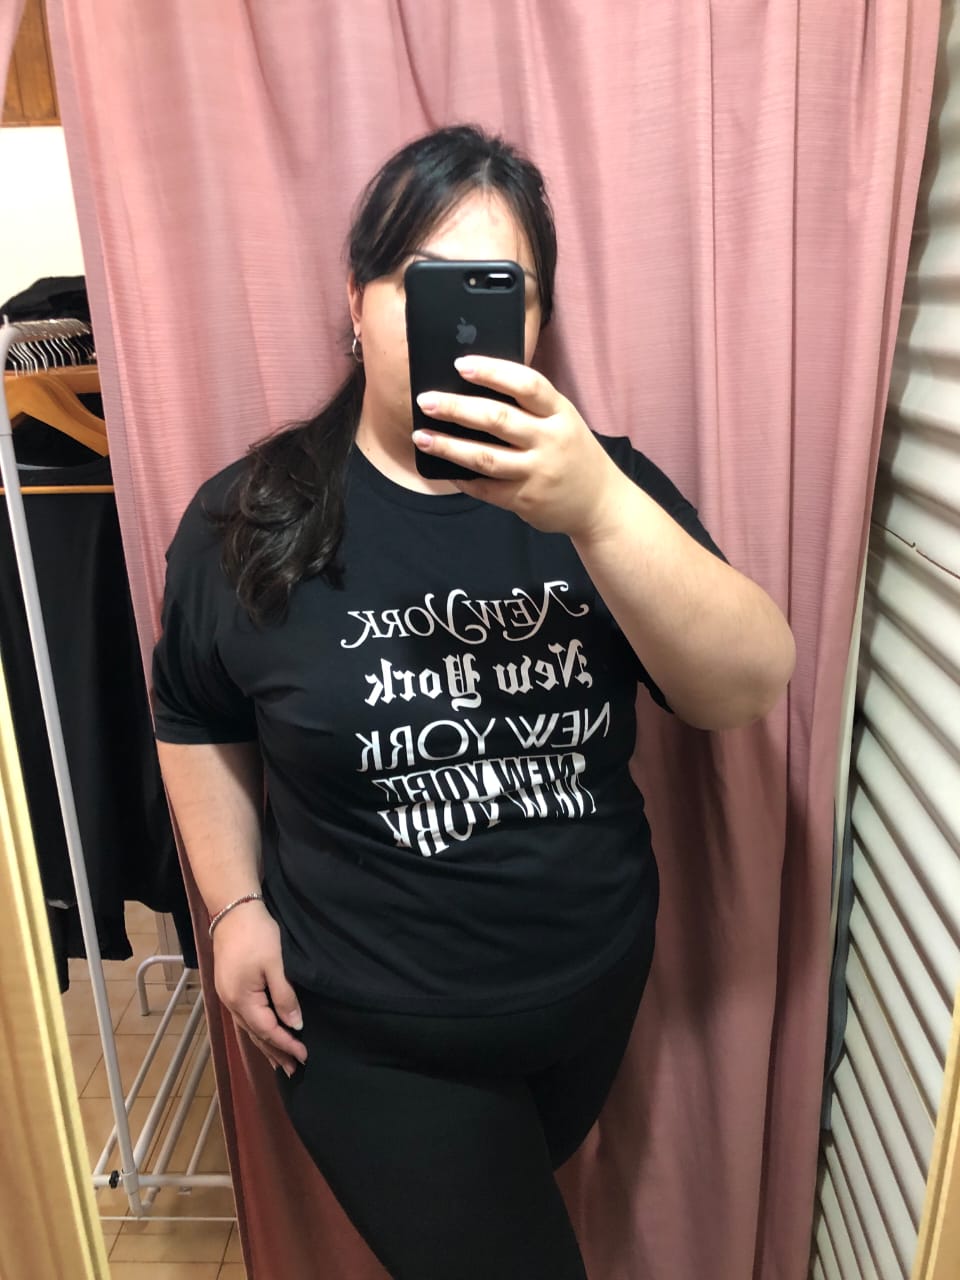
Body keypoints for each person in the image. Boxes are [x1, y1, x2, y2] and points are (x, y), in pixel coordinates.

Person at [152, 125, 795, 1280]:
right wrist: (235, 903)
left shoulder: (605, 489)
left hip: (588, 994)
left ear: (536, 321)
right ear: (356, 299)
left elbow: (746, 685)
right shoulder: (246, 517)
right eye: (421, 280)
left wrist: (597, 507)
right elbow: (193, 711)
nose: (456, 317)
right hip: (370, 1036)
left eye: (502, 289)